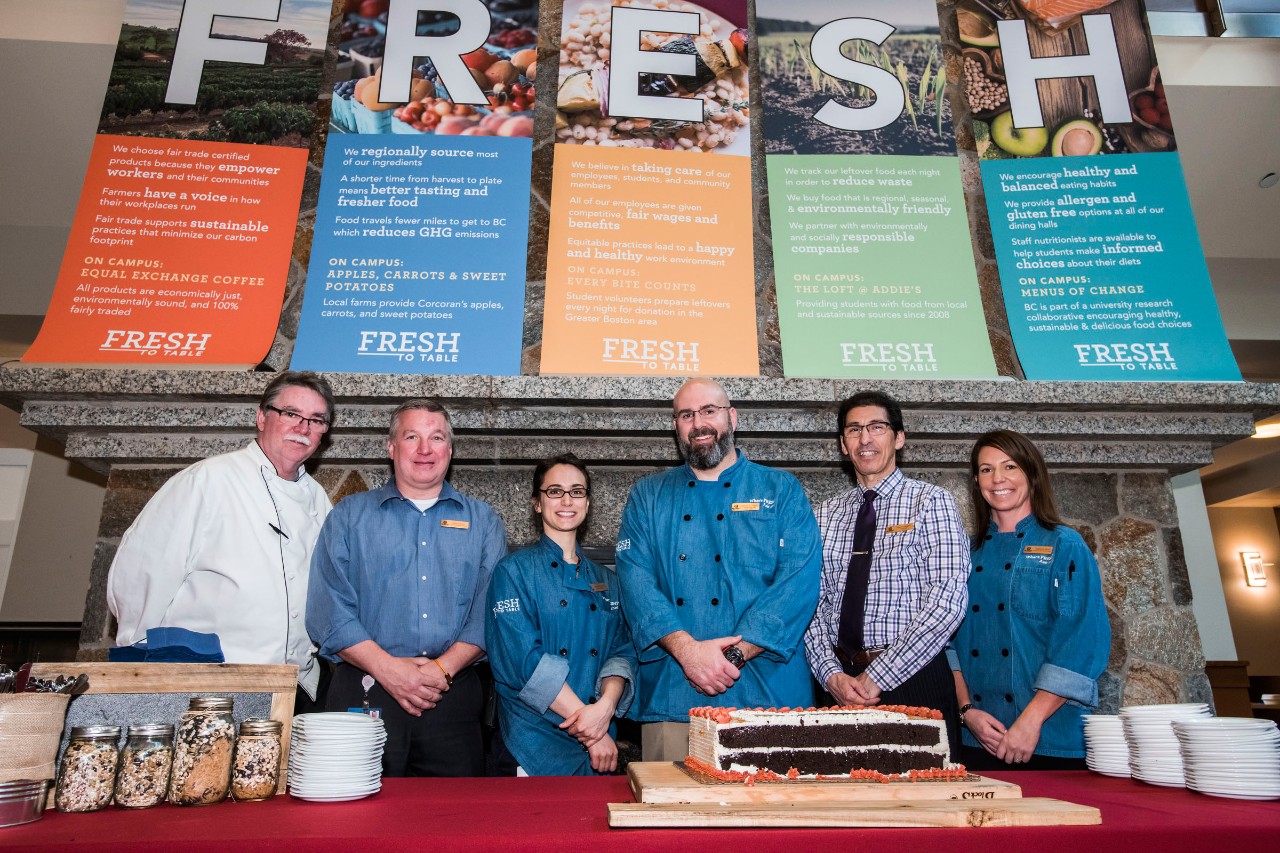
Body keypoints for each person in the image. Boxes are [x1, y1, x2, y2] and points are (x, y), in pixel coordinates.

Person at [616, 378, 822, 761]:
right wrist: (689, 653)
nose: (699, 423)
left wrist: (736, 655)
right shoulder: (648, 496)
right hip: (676, 693)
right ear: (675, 425)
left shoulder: (781, 489)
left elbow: (800, 580)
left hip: (768, 692)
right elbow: (635, 581)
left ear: (732, 416)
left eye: (709, 411)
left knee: (774, 815)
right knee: (672, 815)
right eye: (687, 414)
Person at [107, 371, 336, 707]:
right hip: (210, 681)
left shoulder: (317, 499)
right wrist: (146, 661)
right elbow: (141, 570)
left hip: (292, 683)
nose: (303, 428)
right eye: (291, 414)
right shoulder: (209, 479)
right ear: (261, 417)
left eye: (316, 420)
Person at [306, 398, 507, 777]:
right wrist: (391, 671)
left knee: (451, 825)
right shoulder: (349, 516)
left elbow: (491, 610)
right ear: (391, 447)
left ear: (450, 449)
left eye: (436, 437)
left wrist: (441, 672)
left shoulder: (483, 521)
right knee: (354, 824)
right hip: (365, 691)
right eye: (411, 436)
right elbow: (327, 610)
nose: (425, 449)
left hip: (452, 696)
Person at [804, 390, 969, 757]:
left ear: (899, 437)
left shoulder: (931, 502)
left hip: (914, 678)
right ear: (843, 445)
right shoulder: (823, 516)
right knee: (845, 804)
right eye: (854, 430)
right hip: (839, 688)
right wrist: (831, 675)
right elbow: (809, 605)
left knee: (925, 806)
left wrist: (880, 675)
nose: (865, 439)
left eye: (877, 427)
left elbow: (947, 602)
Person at [950, 430, 1109, 770]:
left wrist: (1030, 722)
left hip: (1050, 738)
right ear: (976, 481)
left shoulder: (1066, 545)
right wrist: (967, 713)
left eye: (1010, 467)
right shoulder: (963, 551)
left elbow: (1080, 644)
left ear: (1031, 475)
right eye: (986, 469)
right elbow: (946, 642)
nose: (998, 479)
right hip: (979, 737)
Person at [486, 453, 636, 775]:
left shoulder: (608, 580)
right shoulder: (512, 573)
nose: (566, 500)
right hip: (532, 742)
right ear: (537, 503)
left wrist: (606, 708)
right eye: (554, 491)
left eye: (577, 491)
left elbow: (620, 652)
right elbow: (525, 663)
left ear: (587, 502)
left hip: (598, 738)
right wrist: (592, 731)